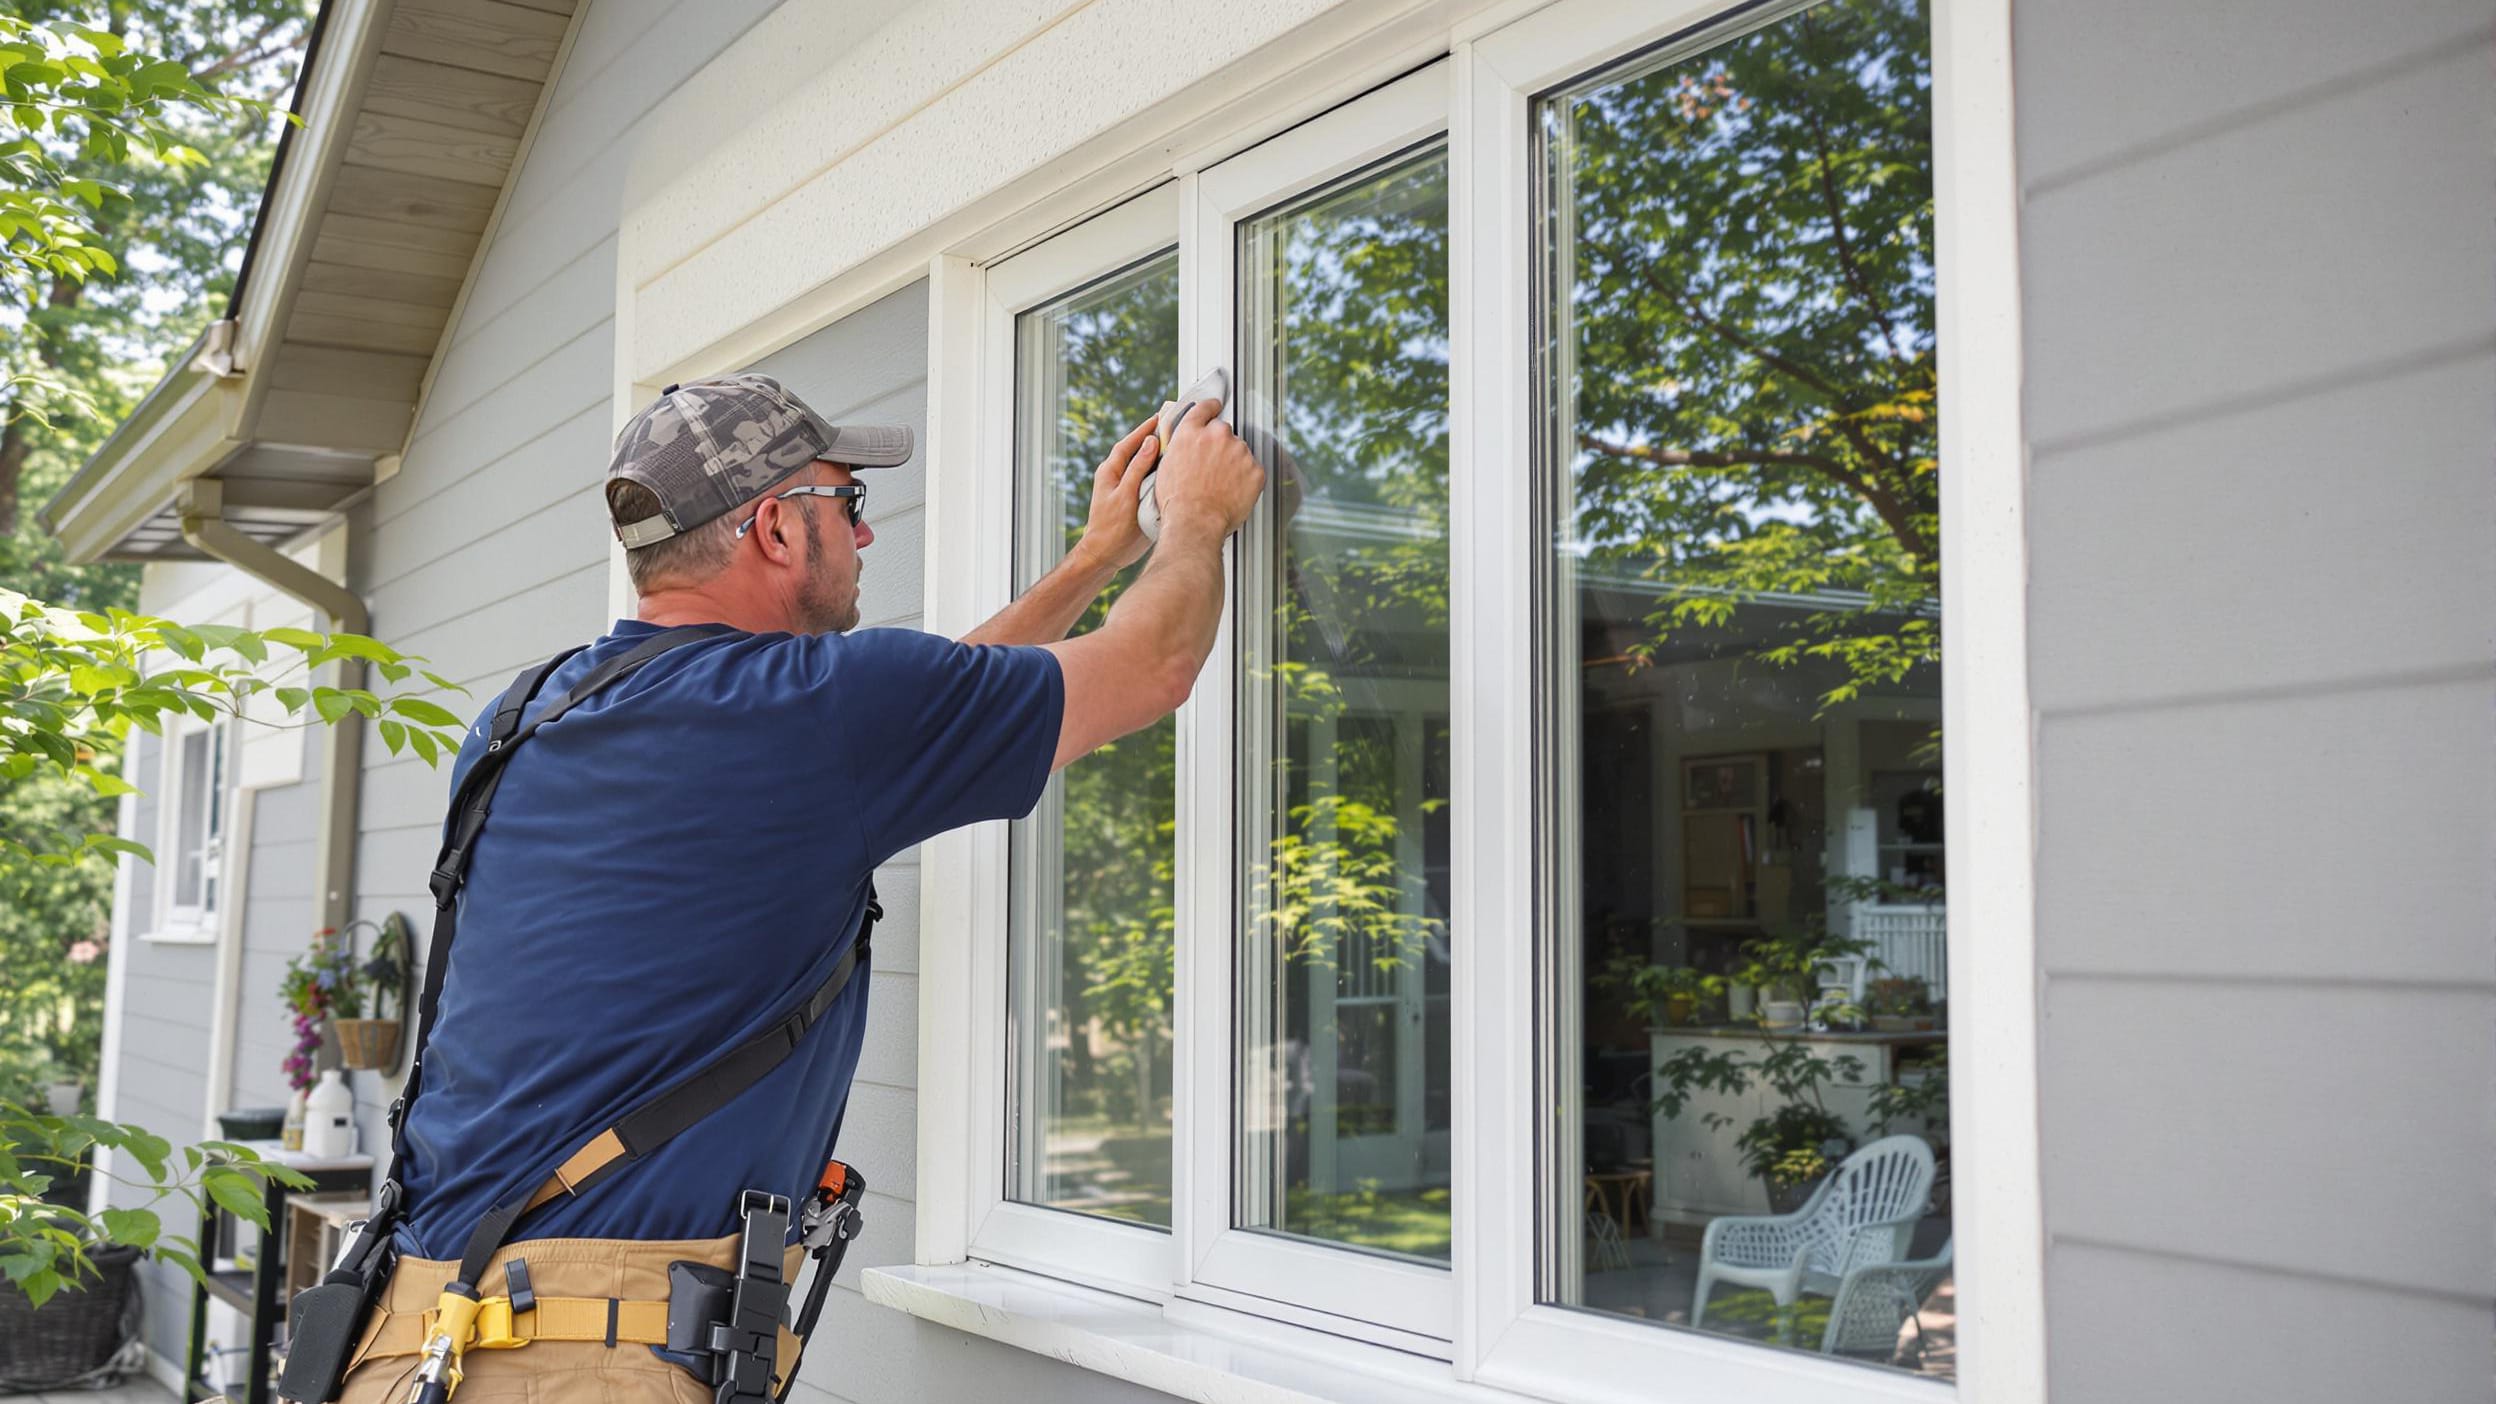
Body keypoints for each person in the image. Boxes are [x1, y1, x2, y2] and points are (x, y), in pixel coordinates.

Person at [333, 373, 1262, 1404]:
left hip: (411, 1340)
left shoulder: (525, 720)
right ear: (775, 527)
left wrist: (1095, 559)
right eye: (849, 505)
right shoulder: (819, 717)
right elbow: (1155, 665)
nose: (864, 538)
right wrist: (1199, 516)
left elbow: (923, 718)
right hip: (586, 1368)